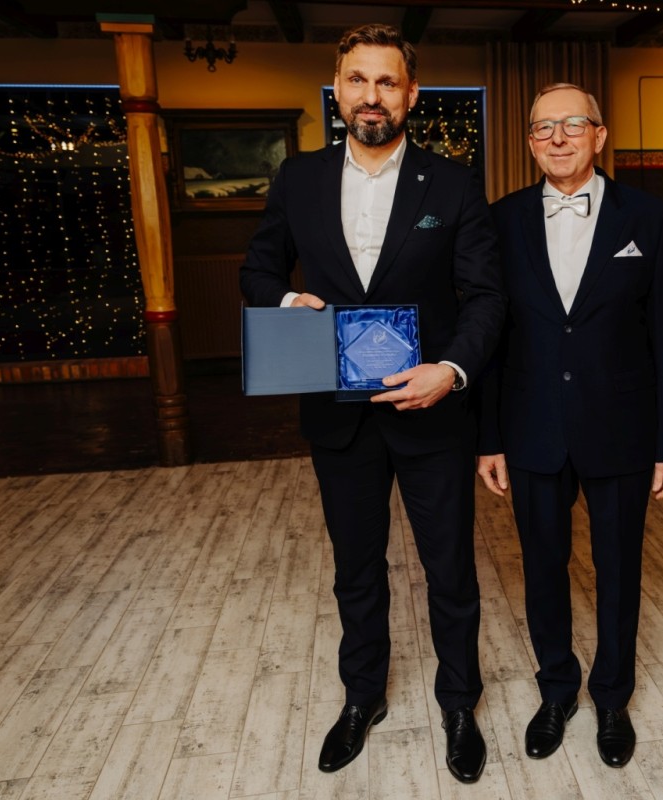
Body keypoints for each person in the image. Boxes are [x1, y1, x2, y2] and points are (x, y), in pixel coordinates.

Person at [240, 24, 504, 783]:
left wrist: (451, 369)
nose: (371, 96)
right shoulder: (299, 178)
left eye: (387, 82)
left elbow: (486, 296)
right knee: (355, 568)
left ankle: (459, 703)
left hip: (432, 411)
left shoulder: (452, 184)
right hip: (338, 414)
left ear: (411, 95)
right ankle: (362, 697)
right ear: (337, 89)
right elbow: (258, 269)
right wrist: (287, 300)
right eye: (358, 80)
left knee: (450, 569)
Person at [476, 83, 663, 768]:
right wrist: (488, 436)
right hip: (531, 425)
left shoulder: (649, 217)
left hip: (623, 426)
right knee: (542, 567)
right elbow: (491, 334)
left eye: (574, 124)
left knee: (618, 569)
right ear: (530, 142)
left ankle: (611, 698)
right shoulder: (500, 220)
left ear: (600, 136)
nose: (559, 137)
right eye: (544, 127)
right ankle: (556, 691)